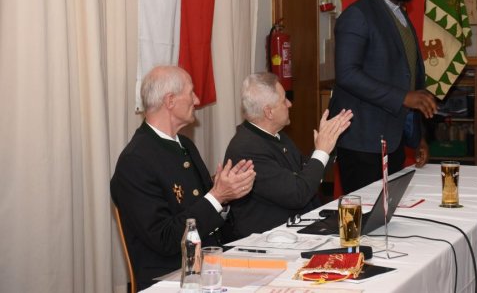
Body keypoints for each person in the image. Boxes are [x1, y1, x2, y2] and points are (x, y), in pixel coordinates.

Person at [110, 66, 256, 291]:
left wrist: (225, 196)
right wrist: (217, 196)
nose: (196, 100)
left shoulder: (184, 145)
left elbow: (204, 208)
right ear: (170, 101)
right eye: (191, 93)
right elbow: (165, 239)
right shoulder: (135, 161)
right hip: (170, 279)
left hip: (208, 266)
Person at [329, 0, 437, 194]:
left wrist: (417, 137)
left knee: (390, 213)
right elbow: (347, 74)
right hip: (362, 140)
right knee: (367, 213)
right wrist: (403, 97)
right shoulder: (358, 15)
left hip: (393, 139)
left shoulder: (400, 15)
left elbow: (408, 78)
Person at [223, 72, 353, 239]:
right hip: (271, 240)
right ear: (269, 112)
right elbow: (298, 194)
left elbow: (304, 173)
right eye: (284, 100)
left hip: (295, 230)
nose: (290, 104)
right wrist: (321, 151)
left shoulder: (274, 136)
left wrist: (327, 144)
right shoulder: (247, 150)